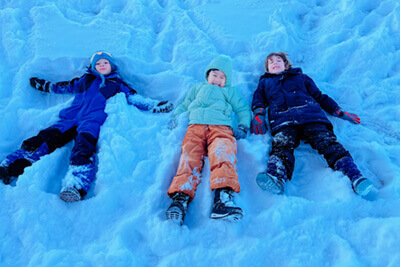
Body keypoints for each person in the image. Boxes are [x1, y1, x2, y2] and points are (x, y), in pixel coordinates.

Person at [0, 51, 173, 202]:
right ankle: (10, 167)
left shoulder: (117, 84)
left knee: (83, 148)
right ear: (93, 67)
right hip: (69, 119)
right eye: (98, 63)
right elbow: (63, 87)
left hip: (91, 121)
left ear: (112, 66)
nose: (102, 65)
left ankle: (75, 185)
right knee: (42, 140)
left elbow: (135, 98)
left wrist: (154, 105)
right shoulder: (85, 81)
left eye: (106, 62)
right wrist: (45, 85)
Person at [251, 52, 375, 197]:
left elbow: (319, 96)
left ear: (286, 64)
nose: (274, 63)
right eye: (270, 62)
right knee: (281, 145)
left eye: (278, 60)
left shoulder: (301, 78)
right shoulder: (265, 83)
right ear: (267, 69)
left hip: (311, 116)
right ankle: (276, 177)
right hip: (283, 120)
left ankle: (355, 177)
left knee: (328, 143)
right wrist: (258, 114)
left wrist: (338, 111)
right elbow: (258, 99)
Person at [166, 55, 251, 224]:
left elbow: (242, 108)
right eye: (214, 75)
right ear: (208, 76)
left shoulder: (230, 91)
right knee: (189, 157)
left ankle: (223, 198)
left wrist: (243, 125)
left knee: (223, 153)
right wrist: (176, 116)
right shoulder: (198, 88)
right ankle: (180, 199)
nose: (217, 80)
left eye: (222, 77)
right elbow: (185, 103)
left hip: (220, 127)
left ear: (227, 80)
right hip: (195, 127)